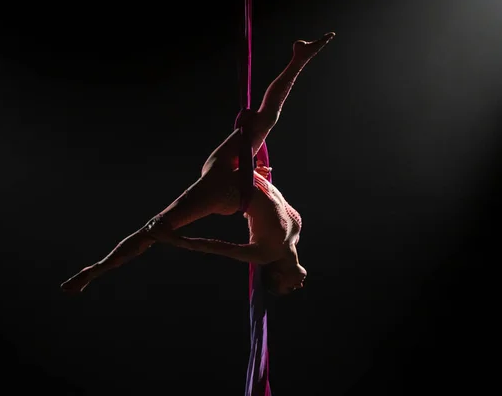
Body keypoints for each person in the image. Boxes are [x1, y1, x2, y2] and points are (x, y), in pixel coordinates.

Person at [61, 32, 336, 296]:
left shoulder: (266, 254)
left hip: (224, 193)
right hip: (246, 177)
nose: (298, 287)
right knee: (266, 120)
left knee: (154, 229)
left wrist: (178, 241)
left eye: (289, 289)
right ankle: (300, 57)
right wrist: (262, 176)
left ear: (276, 277)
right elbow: (266, 207)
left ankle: (92, 272)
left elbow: (219, 248)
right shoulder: (294, 238)